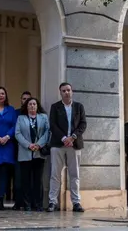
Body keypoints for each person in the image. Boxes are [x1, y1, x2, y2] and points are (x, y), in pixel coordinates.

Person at [47, 82, 87, 213]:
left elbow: (83, 124)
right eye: (63, 91)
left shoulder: (79, 107)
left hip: (74, 144)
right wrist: (64, 138)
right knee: (55, 174)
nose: (66, 92)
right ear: (60, 93)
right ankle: (52, 202)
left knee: (74, 174)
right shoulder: (55, 107)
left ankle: (76, 202)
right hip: (58, 144)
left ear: (72, 91)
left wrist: (73, 137)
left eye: (68, 90)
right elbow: (52, 124)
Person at [15, 97, 49, 211]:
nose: (32, 106)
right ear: (26, 106)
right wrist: (28, 145)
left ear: (37, 106)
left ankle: (38, 204)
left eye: (34, 104)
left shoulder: (44, 117)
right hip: (25, 153)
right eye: (30, 104)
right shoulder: (20, 118)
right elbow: (17, 134)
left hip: (39, 153)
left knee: (38, 180)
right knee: (26, 180)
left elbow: (47, 132)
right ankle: (27, 204)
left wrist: (39, 144)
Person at [12, 91, 32, 210]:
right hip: (18, 149)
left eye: (28, 99)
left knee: (30, 178)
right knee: (18, 178)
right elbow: (15, 130)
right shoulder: (16, 113)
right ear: (21, 100)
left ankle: (30, 202)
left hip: (34, 150)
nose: (26, 101)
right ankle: (18, 202)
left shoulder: (38, 114)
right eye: (24, 99)